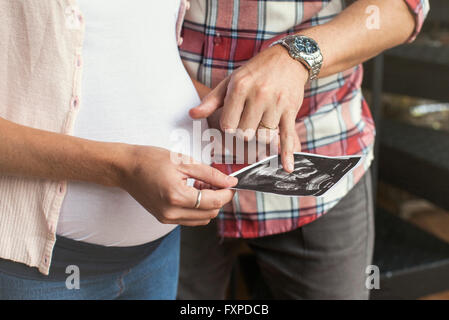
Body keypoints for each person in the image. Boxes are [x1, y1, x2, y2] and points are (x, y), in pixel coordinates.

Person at [178, 0, 430, 299]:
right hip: (173, 165)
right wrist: (195, 97)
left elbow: (404, 7)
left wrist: (297, 56)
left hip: (318, 161)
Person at [0, 0, 237, 300]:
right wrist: (123, 166)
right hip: (39, 271)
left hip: (158, 252)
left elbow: (133, 50)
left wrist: (222, 113)